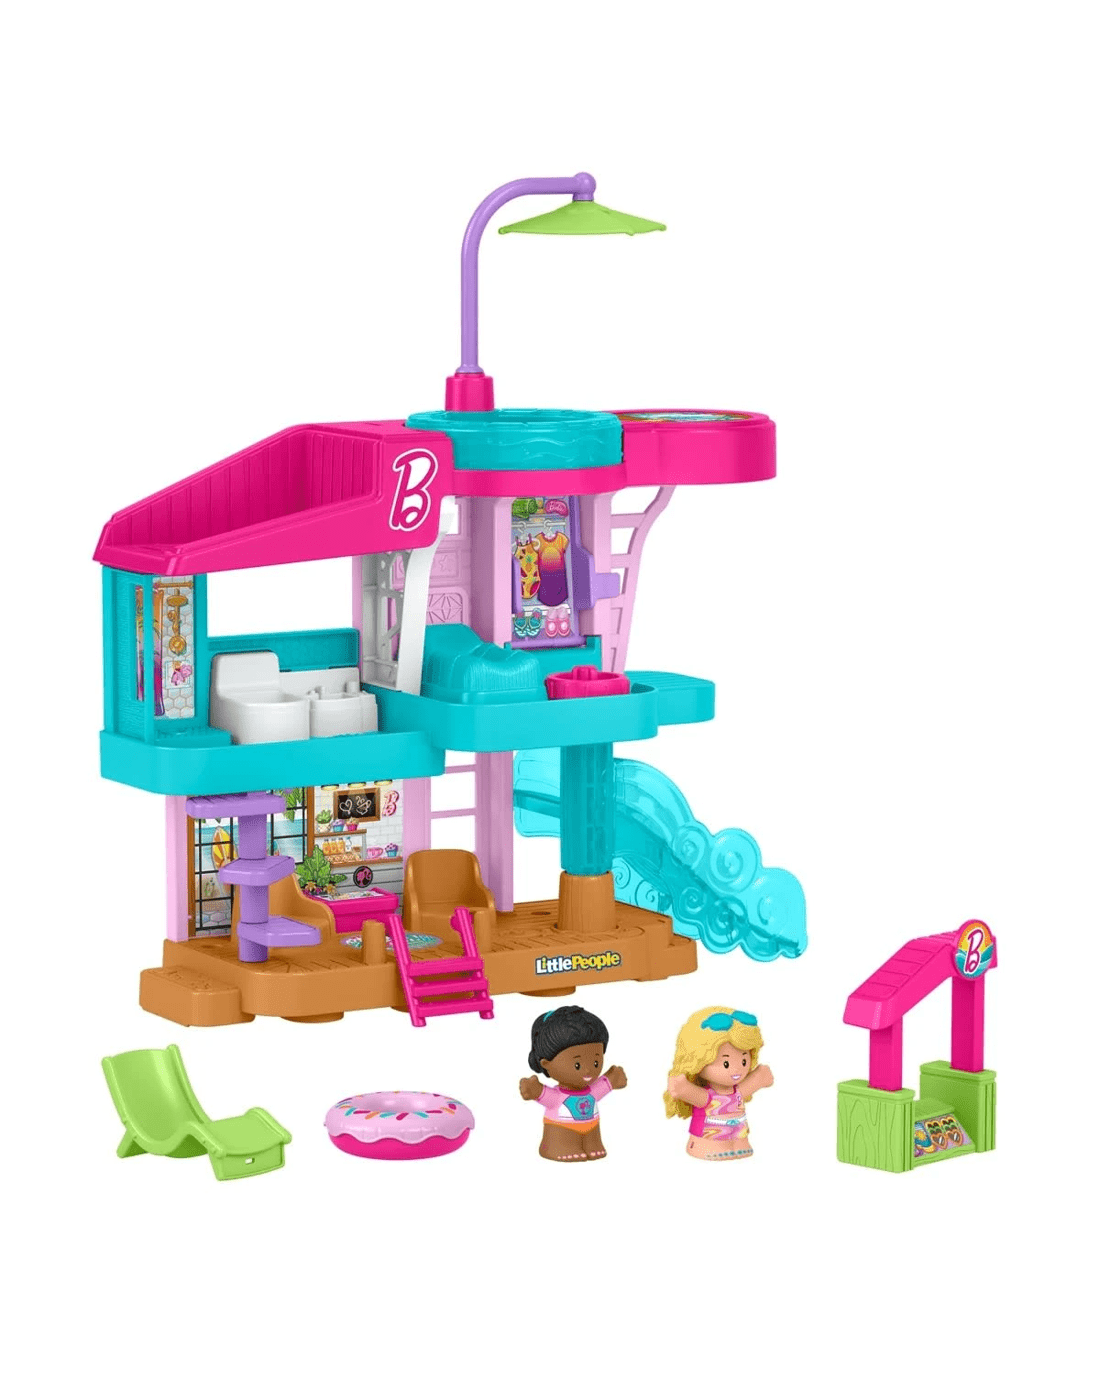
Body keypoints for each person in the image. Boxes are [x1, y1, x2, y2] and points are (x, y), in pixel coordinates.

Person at [519, 1005, 627, 1162]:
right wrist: (534, 1090)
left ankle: (592, 1145)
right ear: (546, 1064)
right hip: (561, 1129)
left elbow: (602, 1087)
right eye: (577, 1065)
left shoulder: (591, 1091)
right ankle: (556, 1147)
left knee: (593, 1138)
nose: (588, 1070)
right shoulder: (557, 1097)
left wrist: (613, 1079)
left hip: (592, 1128)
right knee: (563, 1138)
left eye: (596, 1062)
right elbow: (545, 1095)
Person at [664, 1007, 774, 1160]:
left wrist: (759, 1078)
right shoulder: (707, 1096)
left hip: (739, 1135)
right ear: (698, 1060)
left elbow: (754, 1082)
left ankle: (738, 1143)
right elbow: (683, 1090)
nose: (737, 1069)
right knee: (713, 1144)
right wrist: (681, 1087)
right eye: (726, 1063)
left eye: (744, 1061)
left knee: (740, 1140)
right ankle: (710, 1146)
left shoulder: (737, 1092)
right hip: (709, 1140)